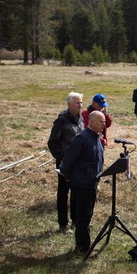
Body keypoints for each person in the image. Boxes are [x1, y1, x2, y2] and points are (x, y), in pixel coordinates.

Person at [59, 111, 106, 254]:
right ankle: (82, 249)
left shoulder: (96, 137)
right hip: (81, 184)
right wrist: (67, 176)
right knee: (83, 218)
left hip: (91, 183)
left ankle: (84, 245)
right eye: (101, 121)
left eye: (104, 122)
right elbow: (68, 160)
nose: (104, 125)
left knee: (88, 215)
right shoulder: (82, 138)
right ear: (91, 121)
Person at [47, 91, 84, 233]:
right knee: (63, 193)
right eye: (77, 102)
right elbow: (52, 142)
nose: (80, 105)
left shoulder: (80, 118)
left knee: (76, 192)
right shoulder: (61, 120)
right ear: (69, 104)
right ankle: (63, 224)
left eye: (81, 102)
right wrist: (62, 159)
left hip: (78, 163)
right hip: (64, 163)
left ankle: (75, 221)